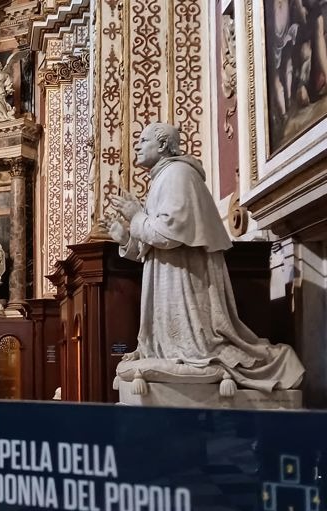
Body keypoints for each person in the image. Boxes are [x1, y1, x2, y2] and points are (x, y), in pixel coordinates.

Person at [104, 122, 304, 392]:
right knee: (174, 349)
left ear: (162, 145)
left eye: (143, 140)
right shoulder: (163, 177)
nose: (136, 146)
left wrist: (137, 216)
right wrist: (126, 238)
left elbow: (169, 233)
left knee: (196, 349)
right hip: (169, 274)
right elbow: (154, 244)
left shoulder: (178, 174)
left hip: (184, 277)